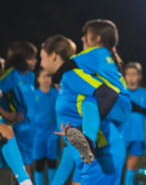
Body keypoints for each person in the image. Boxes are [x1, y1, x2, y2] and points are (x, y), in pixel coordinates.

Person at [40, 34, 126, 185]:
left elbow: (108, 94)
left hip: (101, 154)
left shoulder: (71, 75)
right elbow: (71, 148)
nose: (40, 63)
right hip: (87, 158)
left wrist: (83, 130)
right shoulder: (65, 80)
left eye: (42, 57)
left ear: (53, 55)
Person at [56, 19, 132, 164]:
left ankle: (88, 139)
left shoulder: (94, 52)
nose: (82, 38)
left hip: (114, 102)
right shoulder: (107, 56)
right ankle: (84, 132)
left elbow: (68, 64)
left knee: (89, 100)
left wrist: (55, 78)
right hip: (124, 106)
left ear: (97, 39)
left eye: (86, 34)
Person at [0, 41, 37, 184]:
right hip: (17, 129)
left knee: (24, 168)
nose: (35, 60)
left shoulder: (31, 76)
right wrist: (5, 113)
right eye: (31, 57)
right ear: (21, 58)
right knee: (22, 169)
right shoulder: (10, 75)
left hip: (31, 129)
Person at [122, 62, 146, 185]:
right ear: (124, 76)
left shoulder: (144, 93)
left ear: (139, 76)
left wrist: (137, 108)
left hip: (137, 136)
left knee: (131, 168)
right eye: (128, 74)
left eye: (134, 74)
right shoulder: (121, 93)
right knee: (118, 167)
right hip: (121, 135)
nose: (131, 77)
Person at [32, 67, 59, 185]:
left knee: (52, 164)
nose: (47, 79)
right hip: (37, 137)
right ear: (38, 79)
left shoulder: (56, 93)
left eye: (49, 76)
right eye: (44, 76)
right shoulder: (33, 95)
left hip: (52, 135)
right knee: (38, 164)